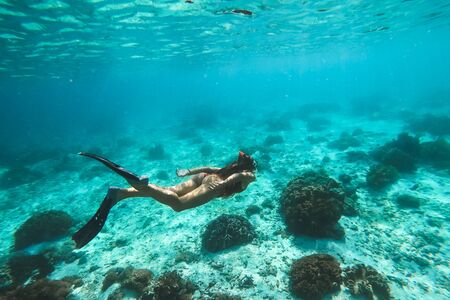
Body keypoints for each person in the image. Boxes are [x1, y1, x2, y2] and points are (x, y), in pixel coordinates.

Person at [72, 151, 257, 248]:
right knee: (178, 204)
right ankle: (142, 184)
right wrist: (224, 185)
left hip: (205, 177)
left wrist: (188, 172)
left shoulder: (232, 167)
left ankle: (121, 193)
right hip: (214, 185)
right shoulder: (249, 175)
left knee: (170, 190)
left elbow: (210, 168)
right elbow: (237, 178)